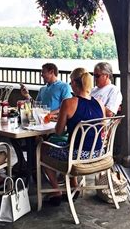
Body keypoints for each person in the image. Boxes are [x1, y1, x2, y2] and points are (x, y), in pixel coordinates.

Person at [43, 68, 105, 206]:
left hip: (77, 156)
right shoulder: (99, 103)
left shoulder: (69, 103)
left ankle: (56, 190)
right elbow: (102, 127)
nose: (70, 85)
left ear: (76, 84)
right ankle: (73, 183)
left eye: (71, 82)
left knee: (43, 148)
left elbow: (58, 131)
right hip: (98, 153)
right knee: (70, 144)